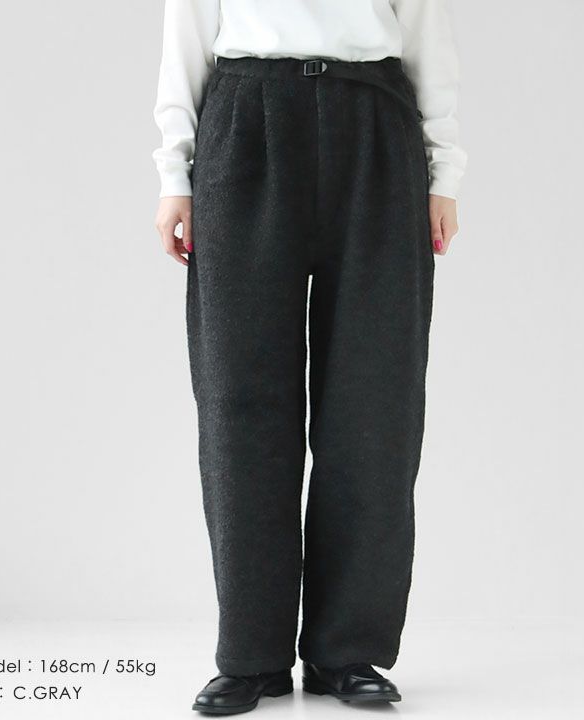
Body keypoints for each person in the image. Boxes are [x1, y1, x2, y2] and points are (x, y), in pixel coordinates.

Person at [153, 0, 467, 713]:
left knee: (375, 400)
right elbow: (187, 35)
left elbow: (427, 33)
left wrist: (443, 172)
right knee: (239, 402)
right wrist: (174, 173)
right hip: (246, 121)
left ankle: (345, 650)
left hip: (374, 126)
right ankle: (251, 655)